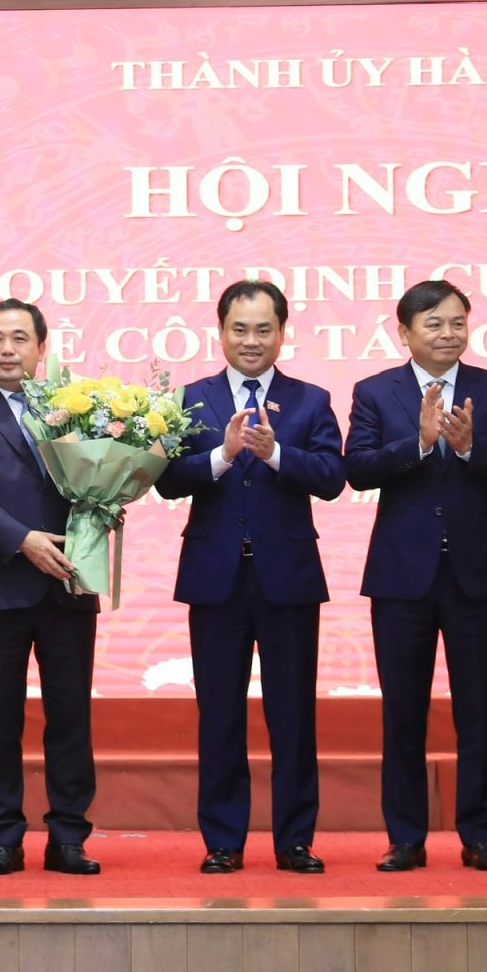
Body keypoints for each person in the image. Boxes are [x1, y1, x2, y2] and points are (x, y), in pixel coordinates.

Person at [156, 279, 345, 874]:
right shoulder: (190, 398)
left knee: (293, 714)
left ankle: (294, 840)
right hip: (215, 577)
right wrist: (224, 455)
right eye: (240, 329)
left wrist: (275, 454)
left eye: (264, 329)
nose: (252, 340)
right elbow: (166, 479)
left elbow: (332, 477)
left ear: (283, 333)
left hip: (287, 576)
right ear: (220, 332)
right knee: (219, 714)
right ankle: (223, 841)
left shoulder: (310, 400)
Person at [344, 280, 487, 873]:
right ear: (405, 332)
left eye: (457, 322)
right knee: (403, 713)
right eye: (434, 323)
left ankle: (481, 836)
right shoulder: (375, 392)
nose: (448, 333)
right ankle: (405, 837)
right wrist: (419, 444)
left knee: (480, 713)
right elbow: (357, 469)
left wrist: (474, 448)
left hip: (478, 574)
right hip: (402, 578)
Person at [0, 299, 101, 876]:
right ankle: (3, 837)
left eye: (19, 338)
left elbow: (100, 479)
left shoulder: (81, 409)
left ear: (41, 346)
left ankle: (69, 836)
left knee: (71, 716)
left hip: (69, 583)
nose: (8, 350)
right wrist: (22, 538)